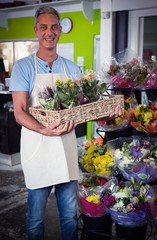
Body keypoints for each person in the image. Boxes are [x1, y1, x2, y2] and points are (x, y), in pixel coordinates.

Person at [9, 6, 122, 240]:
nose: (49, 32)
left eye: (53, 27)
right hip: (37, 149)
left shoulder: (71, 68)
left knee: (69, 216)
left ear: (60, 30)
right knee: (35, 220)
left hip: (65, 152)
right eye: (43, 27)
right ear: (36, 30)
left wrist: (112, 111)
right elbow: (19, 112)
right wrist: (43, 128)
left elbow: (84, 110)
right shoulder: (23, 67)